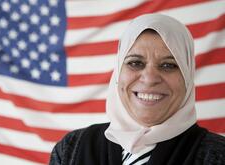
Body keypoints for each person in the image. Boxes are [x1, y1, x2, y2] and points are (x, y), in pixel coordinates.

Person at [49, 14, 225, 165]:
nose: (149, 78)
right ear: (118, 73)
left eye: (168, 65)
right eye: (135, 63)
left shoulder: (218, 155)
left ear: (187, 76)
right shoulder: (70, 150)